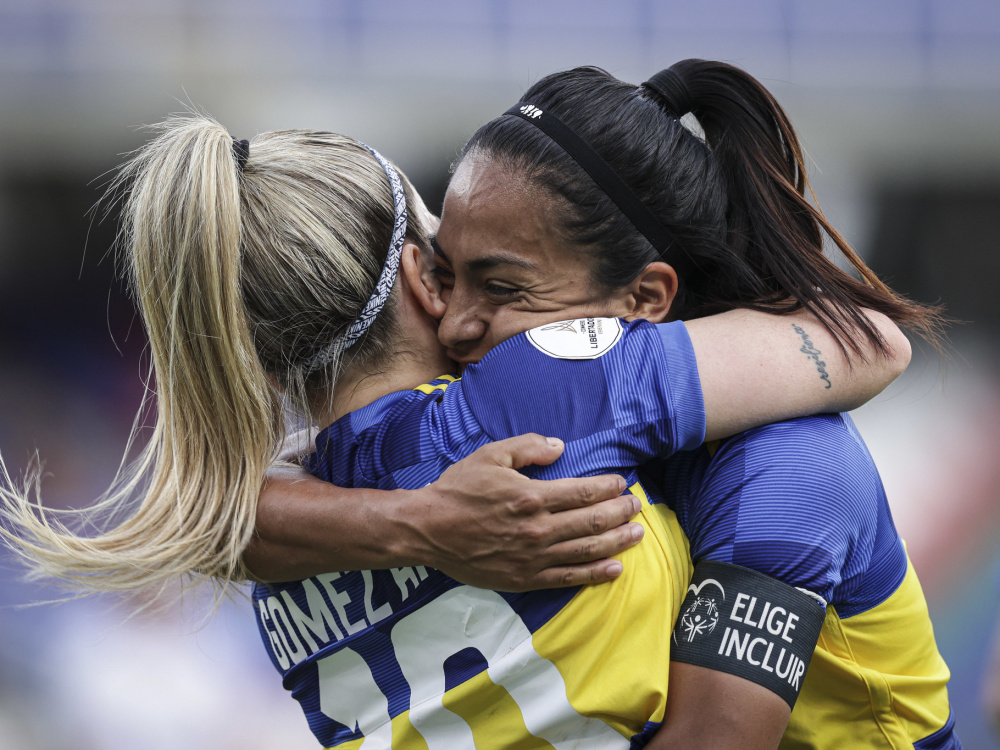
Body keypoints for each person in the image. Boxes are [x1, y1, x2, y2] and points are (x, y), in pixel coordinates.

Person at [0, 114, 905, 747]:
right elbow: (868, 345)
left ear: (261, 360)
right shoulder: (548, 388)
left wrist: (411, 525)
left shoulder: (279, 544)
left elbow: (214, 520)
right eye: (450, 250)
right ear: (422, 277)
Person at [246, 61, 958, 749]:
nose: (455, 321)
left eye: (502, 288)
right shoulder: (504, 427)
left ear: (644, 300)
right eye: (445, 274)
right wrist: (414, 522)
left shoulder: (789, 461)